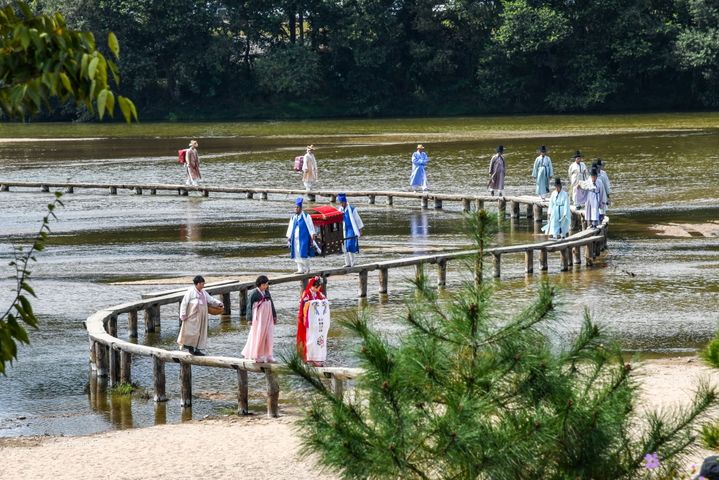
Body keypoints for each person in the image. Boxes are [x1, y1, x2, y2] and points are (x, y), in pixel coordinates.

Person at [177, 275, 223, 356]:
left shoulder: (203, 292)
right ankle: (190, 348)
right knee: (191, 332)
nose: (203, 285)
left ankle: (197, 350)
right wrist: (183, 314)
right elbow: (184, 303)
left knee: (200, 333)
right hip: (192, 316)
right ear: (197, 284)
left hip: (202, 316)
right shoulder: (190, 291)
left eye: (203, 284)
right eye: (202, 284)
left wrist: (218, 303)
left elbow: (210, 300)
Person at [241, 275, 277, 363]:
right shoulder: (254, 293)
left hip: (267, 317)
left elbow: (271, 304)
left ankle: (268, 355)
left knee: (269, 335)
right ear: (259, 284)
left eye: (267, 284)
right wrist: (249, 318)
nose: (265, 286)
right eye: (264, 285)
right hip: (259, 318)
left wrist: (274, 315)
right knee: (259, 335)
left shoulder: (267, 292)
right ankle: (257, 355)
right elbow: (249, 306)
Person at [297, 275, 330, 366]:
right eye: (317, 287)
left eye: (319, 287)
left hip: (317, 321)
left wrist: (321, 302)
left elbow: (325, 301)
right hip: (309, 321)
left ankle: (317, 357)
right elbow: (304, 305)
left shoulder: (319, 294)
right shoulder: (306, 294)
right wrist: (313, 303)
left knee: (317, 338)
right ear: (313, 286)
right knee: (310, 339)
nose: (318, 289)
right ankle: (309, 357)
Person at [286, 197, 317, 273]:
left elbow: (311, 226)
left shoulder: (306, 216)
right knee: (296, 254)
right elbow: (290, 227)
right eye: (295, 207)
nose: (296, 209)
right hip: (295, 239)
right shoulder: (293, 218)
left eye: (297, 207)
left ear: (300, 208)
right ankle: (300, 269)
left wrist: (312, 234)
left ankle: (307, 268)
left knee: (303, 253)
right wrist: (289, 237)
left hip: (303, 238)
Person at [337, 192, 364, 267]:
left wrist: (360, 230)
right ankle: (347, 263)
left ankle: (353, 262)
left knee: (350, 245)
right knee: (344, 246)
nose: (341, 204)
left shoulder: (352, 209)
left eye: (342, 202)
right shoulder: (340, 210)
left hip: (351, 229)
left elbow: (358, 220)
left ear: (345, 202)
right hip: (344, 229)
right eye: (340, 203)